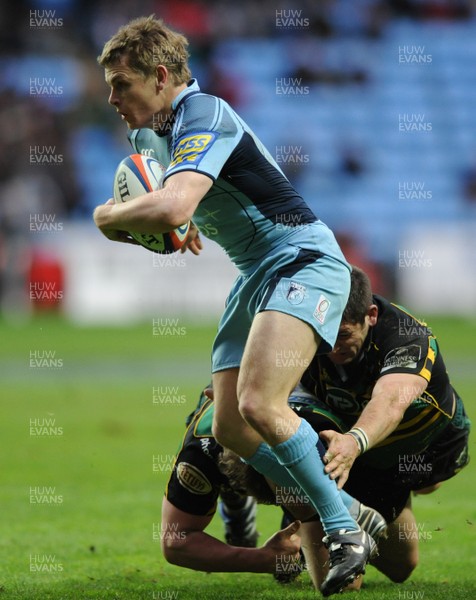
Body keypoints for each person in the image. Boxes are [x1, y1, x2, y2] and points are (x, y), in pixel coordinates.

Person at [93, 16, 376, 596]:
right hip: (255, 273)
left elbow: (170, 208)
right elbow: (179, 207)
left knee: (257, 402)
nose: (112, 97)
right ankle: (345, 505)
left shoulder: (205, 113)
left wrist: (107, 217)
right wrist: (182, 214)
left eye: (122, 83)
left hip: (302, 257)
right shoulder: (148, 136)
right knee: (226, 425)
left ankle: (344, 529)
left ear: (161, 75)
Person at [299, 265, 471, 582]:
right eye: (326, 338)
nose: (333, 349)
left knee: (401, 567)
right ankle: (313, 514)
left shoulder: (407, 336)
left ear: (372, 315)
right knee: (341, 584)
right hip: (343, 440)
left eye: (344, 335)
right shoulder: (305, 324)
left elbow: (390, 400)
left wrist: (355, 441)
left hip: (419, 438)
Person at [161, 389, 386, 589]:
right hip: (230, 428)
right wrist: (262, 559)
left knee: (402, 565)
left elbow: (348, 584)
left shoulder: (320, 434)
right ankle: (235, 507)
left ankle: (319, 508)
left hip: (310, 412)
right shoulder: (200, 453)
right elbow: (175, 542)